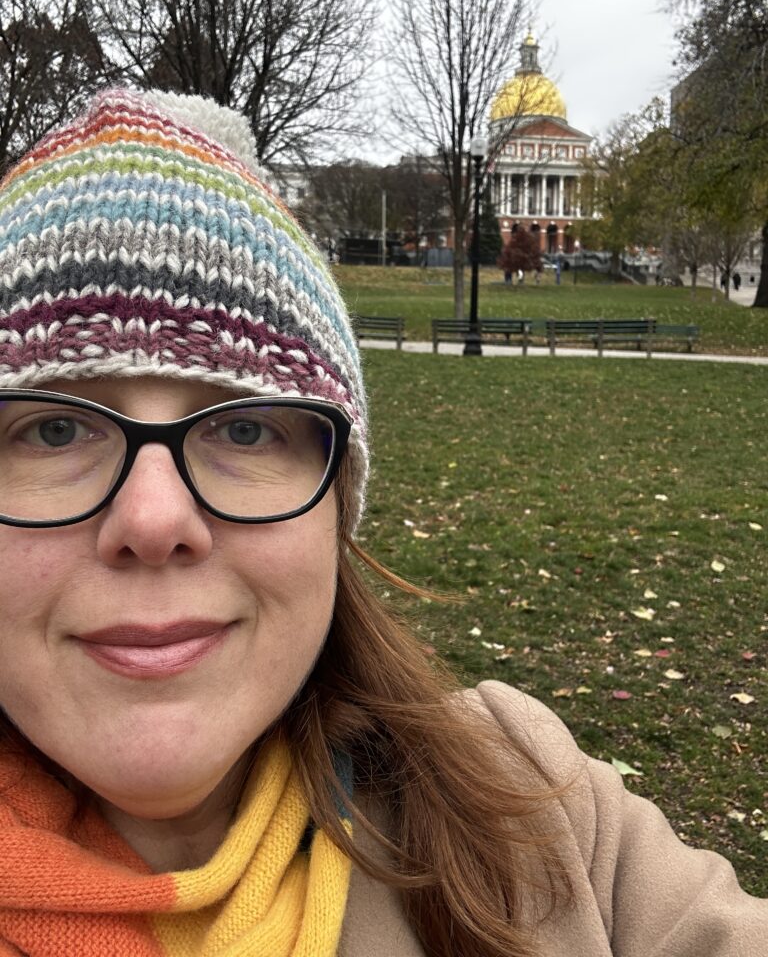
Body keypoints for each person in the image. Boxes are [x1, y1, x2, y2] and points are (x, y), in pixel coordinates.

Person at [0, 89, 764, 957]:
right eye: (53, 428)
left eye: (246, 426)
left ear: (337, 508)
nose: (153, 517)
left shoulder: (535, 810)